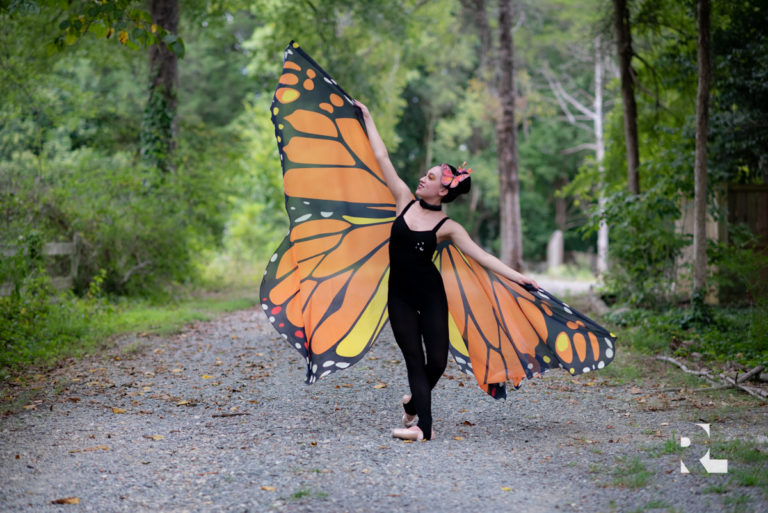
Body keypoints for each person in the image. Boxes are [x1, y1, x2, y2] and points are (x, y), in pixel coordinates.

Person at [355, 100, 539, 442]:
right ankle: (424, 428)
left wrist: (519, 277)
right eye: (425, 175)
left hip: (431, 295)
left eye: (430, 177)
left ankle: (414, 403)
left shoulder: (448, 226)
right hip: (400, 297)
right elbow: (382, 159)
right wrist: (368, 118)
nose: (422, 179)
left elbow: (483, 257)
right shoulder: (403, 199)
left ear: (443, 190)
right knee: (414, 359)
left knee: (437, 360)